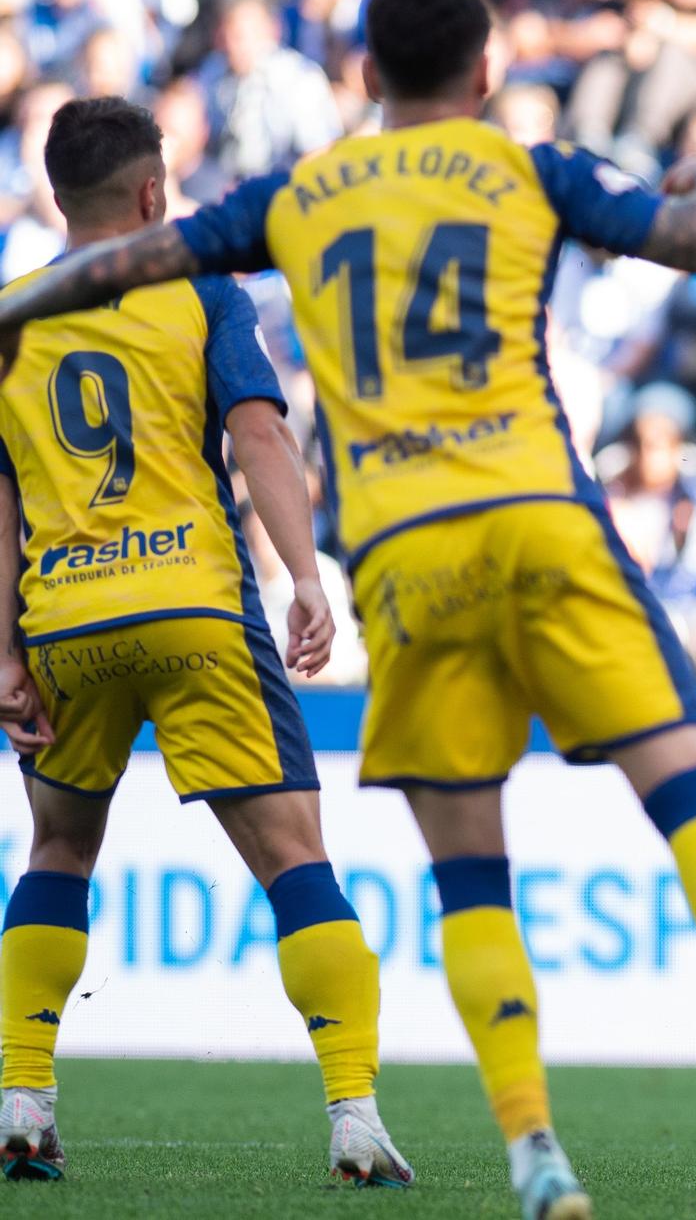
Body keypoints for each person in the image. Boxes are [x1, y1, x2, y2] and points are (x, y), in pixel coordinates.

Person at [0, 0, 696, 1216]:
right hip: (534, 521)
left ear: (365, 77)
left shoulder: (296, 198)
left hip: (398, 556)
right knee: (682, 790)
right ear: (485, 74)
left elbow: (114, 266)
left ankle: (534, 1153)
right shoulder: (529, 168)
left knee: (463, 869)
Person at [0, 97, 411, 1187]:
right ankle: (355, 1114)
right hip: (194, 610)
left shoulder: (11, 318)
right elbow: (259, 433)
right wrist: (306, 573)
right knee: (294, 862)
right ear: (151, 194)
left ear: (54, 195)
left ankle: (23, 1099)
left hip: (63, 625)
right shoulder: (201, 292)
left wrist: (2, 650)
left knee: (57, 855)